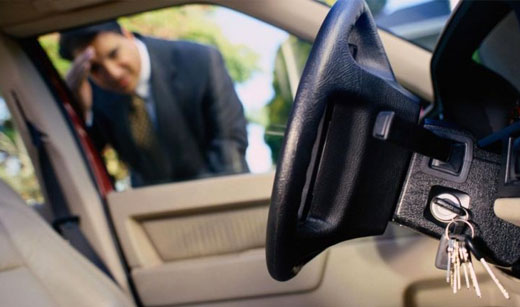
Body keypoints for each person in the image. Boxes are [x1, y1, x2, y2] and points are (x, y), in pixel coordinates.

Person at [59, 21, 249, 187]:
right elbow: (86, 165)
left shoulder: (200, 60)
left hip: (221, 198)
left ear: (127, 35)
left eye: (114, 54)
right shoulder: (94, 94)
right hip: (149, 212)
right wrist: (80, 111)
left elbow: (229, 144)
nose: (113, 73)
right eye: (95, 68)